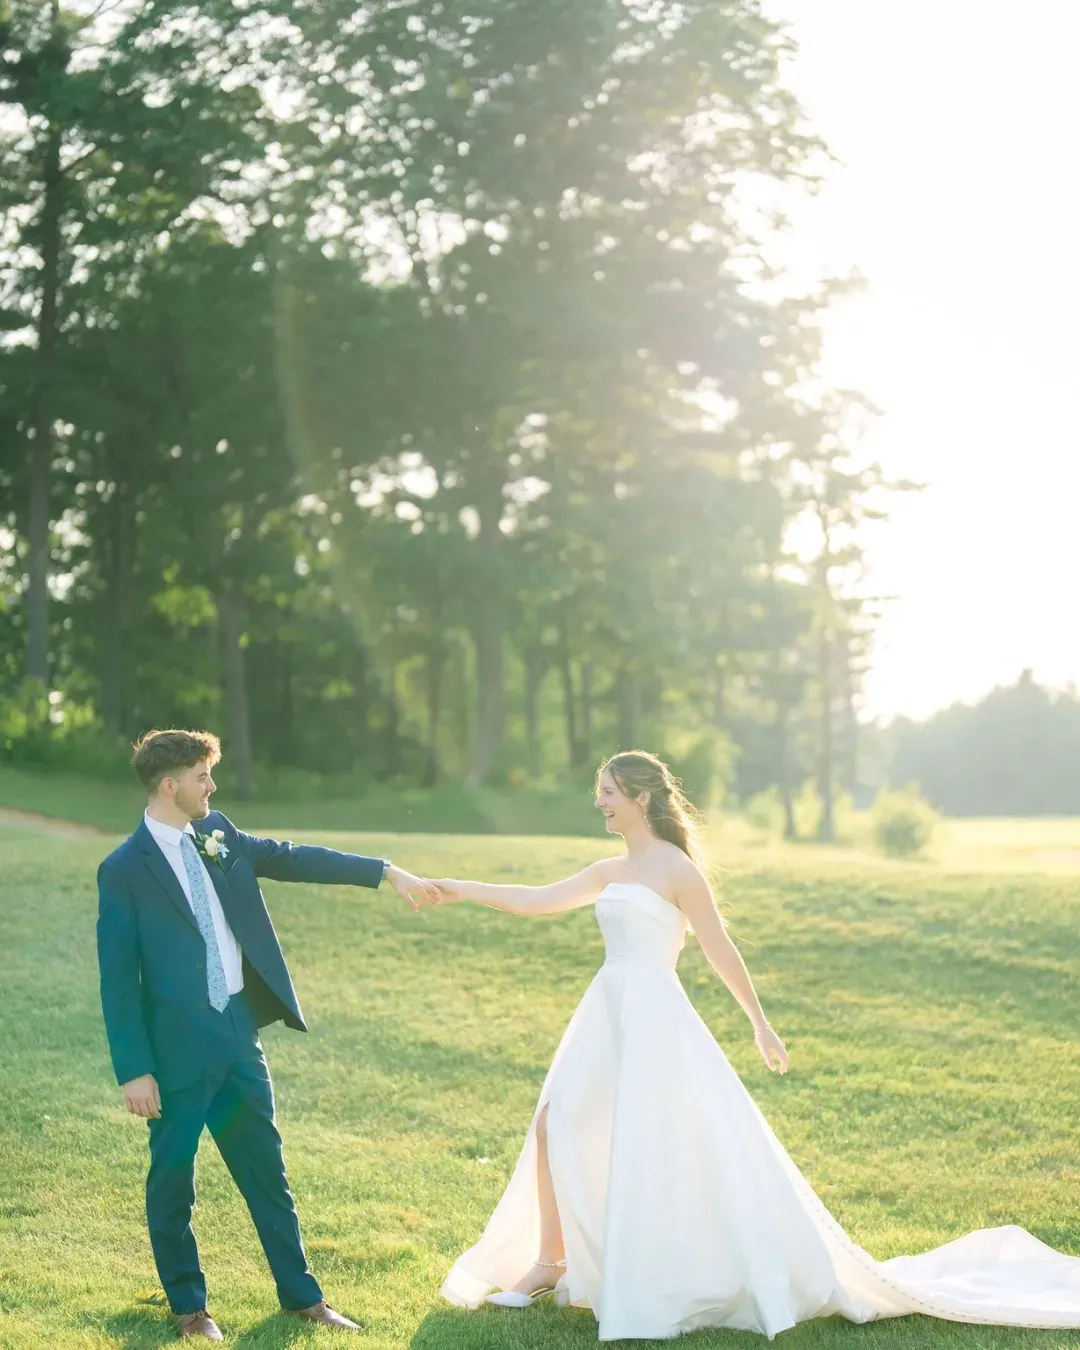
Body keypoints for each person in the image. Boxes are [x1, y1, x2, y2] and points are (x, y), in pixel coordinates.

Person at [437, 750, 1080, 1340]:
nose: (599, 801)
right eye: (599, 792)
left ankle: (641, 1273)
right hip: (606, 1011)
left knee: (645, 1139)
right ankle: (550, 1261)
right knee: (554, 1123)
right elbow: (538, 899)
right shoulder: (610, 869)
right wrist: (458, 888)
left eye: (607, 791)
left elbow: (719, 947)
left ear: (640, 797)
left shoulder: (677, 870)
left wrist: (760, 1023)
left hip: (654, 1018)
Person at [97, 728, 438, 1340]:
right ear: (169, 785)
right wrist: (134, 1070)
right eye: (202, 776)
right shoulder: (123, 870)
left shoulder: (218, 834)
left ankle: (303, 1298)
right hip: (174, 1053)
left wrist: (386, 872)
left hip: (237, 1032)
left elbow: (293, 857)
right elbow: (118, 979)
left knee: (267, 1170)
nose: (212, 786)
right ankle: (189, 1308)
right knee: (173, 1181)